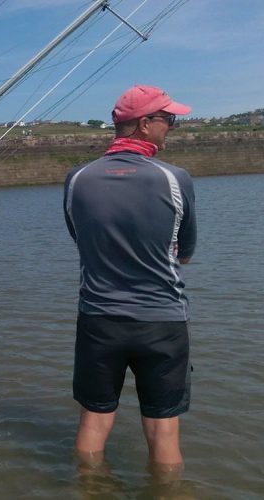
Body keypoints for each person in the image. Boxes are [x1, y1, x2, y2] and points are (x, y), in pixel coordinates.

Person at [63, 85, 197, 473]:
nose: (171, 127)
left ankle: (89, 490)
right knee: (163, 430)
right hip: (162, 321)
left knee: (94, 419)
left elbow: (81, 241)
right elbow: (185, 251)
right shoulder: (176, 179)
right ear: (144, 124)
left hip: (99, 319)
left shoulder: (77, 179)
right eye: (168, 119)